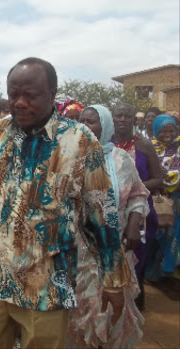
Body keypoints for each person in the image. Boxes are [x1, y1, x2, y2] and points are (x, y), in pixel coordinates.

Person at [0, 57, 130, 349]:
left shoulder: (79, 142)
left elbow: (101, 216)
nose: (20, 103)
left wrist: (113, 278)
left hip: (48, 286)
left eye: (30, 95)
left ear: (52, 94)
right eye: (14, 95)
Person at [67, 105, 148, 348]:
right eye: (80, 121)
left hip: (115, 250)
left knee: (113, 308)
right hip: (77, 250)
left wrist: (134, 224)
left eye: (90, 122)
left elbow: (138, 194)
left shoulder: (121, 160)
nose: (83, 126)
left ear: (105, 126)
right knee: (79, 307)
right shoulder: (67, 157)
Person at [112, 102, 163, 310]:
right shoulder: (104, 144)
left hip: (140, 212)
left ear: (135, 120)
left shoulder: (144, 145)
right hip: (113, 211)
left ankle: (135, 307)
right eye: (119, 115)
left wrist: (133, 187)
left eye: (127, 115)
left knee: (136, 259)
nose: (123, 119)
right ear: (112, 118)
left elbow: (158, 179)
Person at [146, 114, 180, 300]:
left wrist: (171, 178)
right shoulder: (149, 146)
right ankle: (153, 275)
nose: (168, 134)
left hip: (176, 201)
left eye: (171, 130)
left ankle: (168, 277)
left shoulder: (178, 147)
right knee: (155, 237)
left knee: (173, 239)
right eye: (164, 130)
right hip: (156, 199)